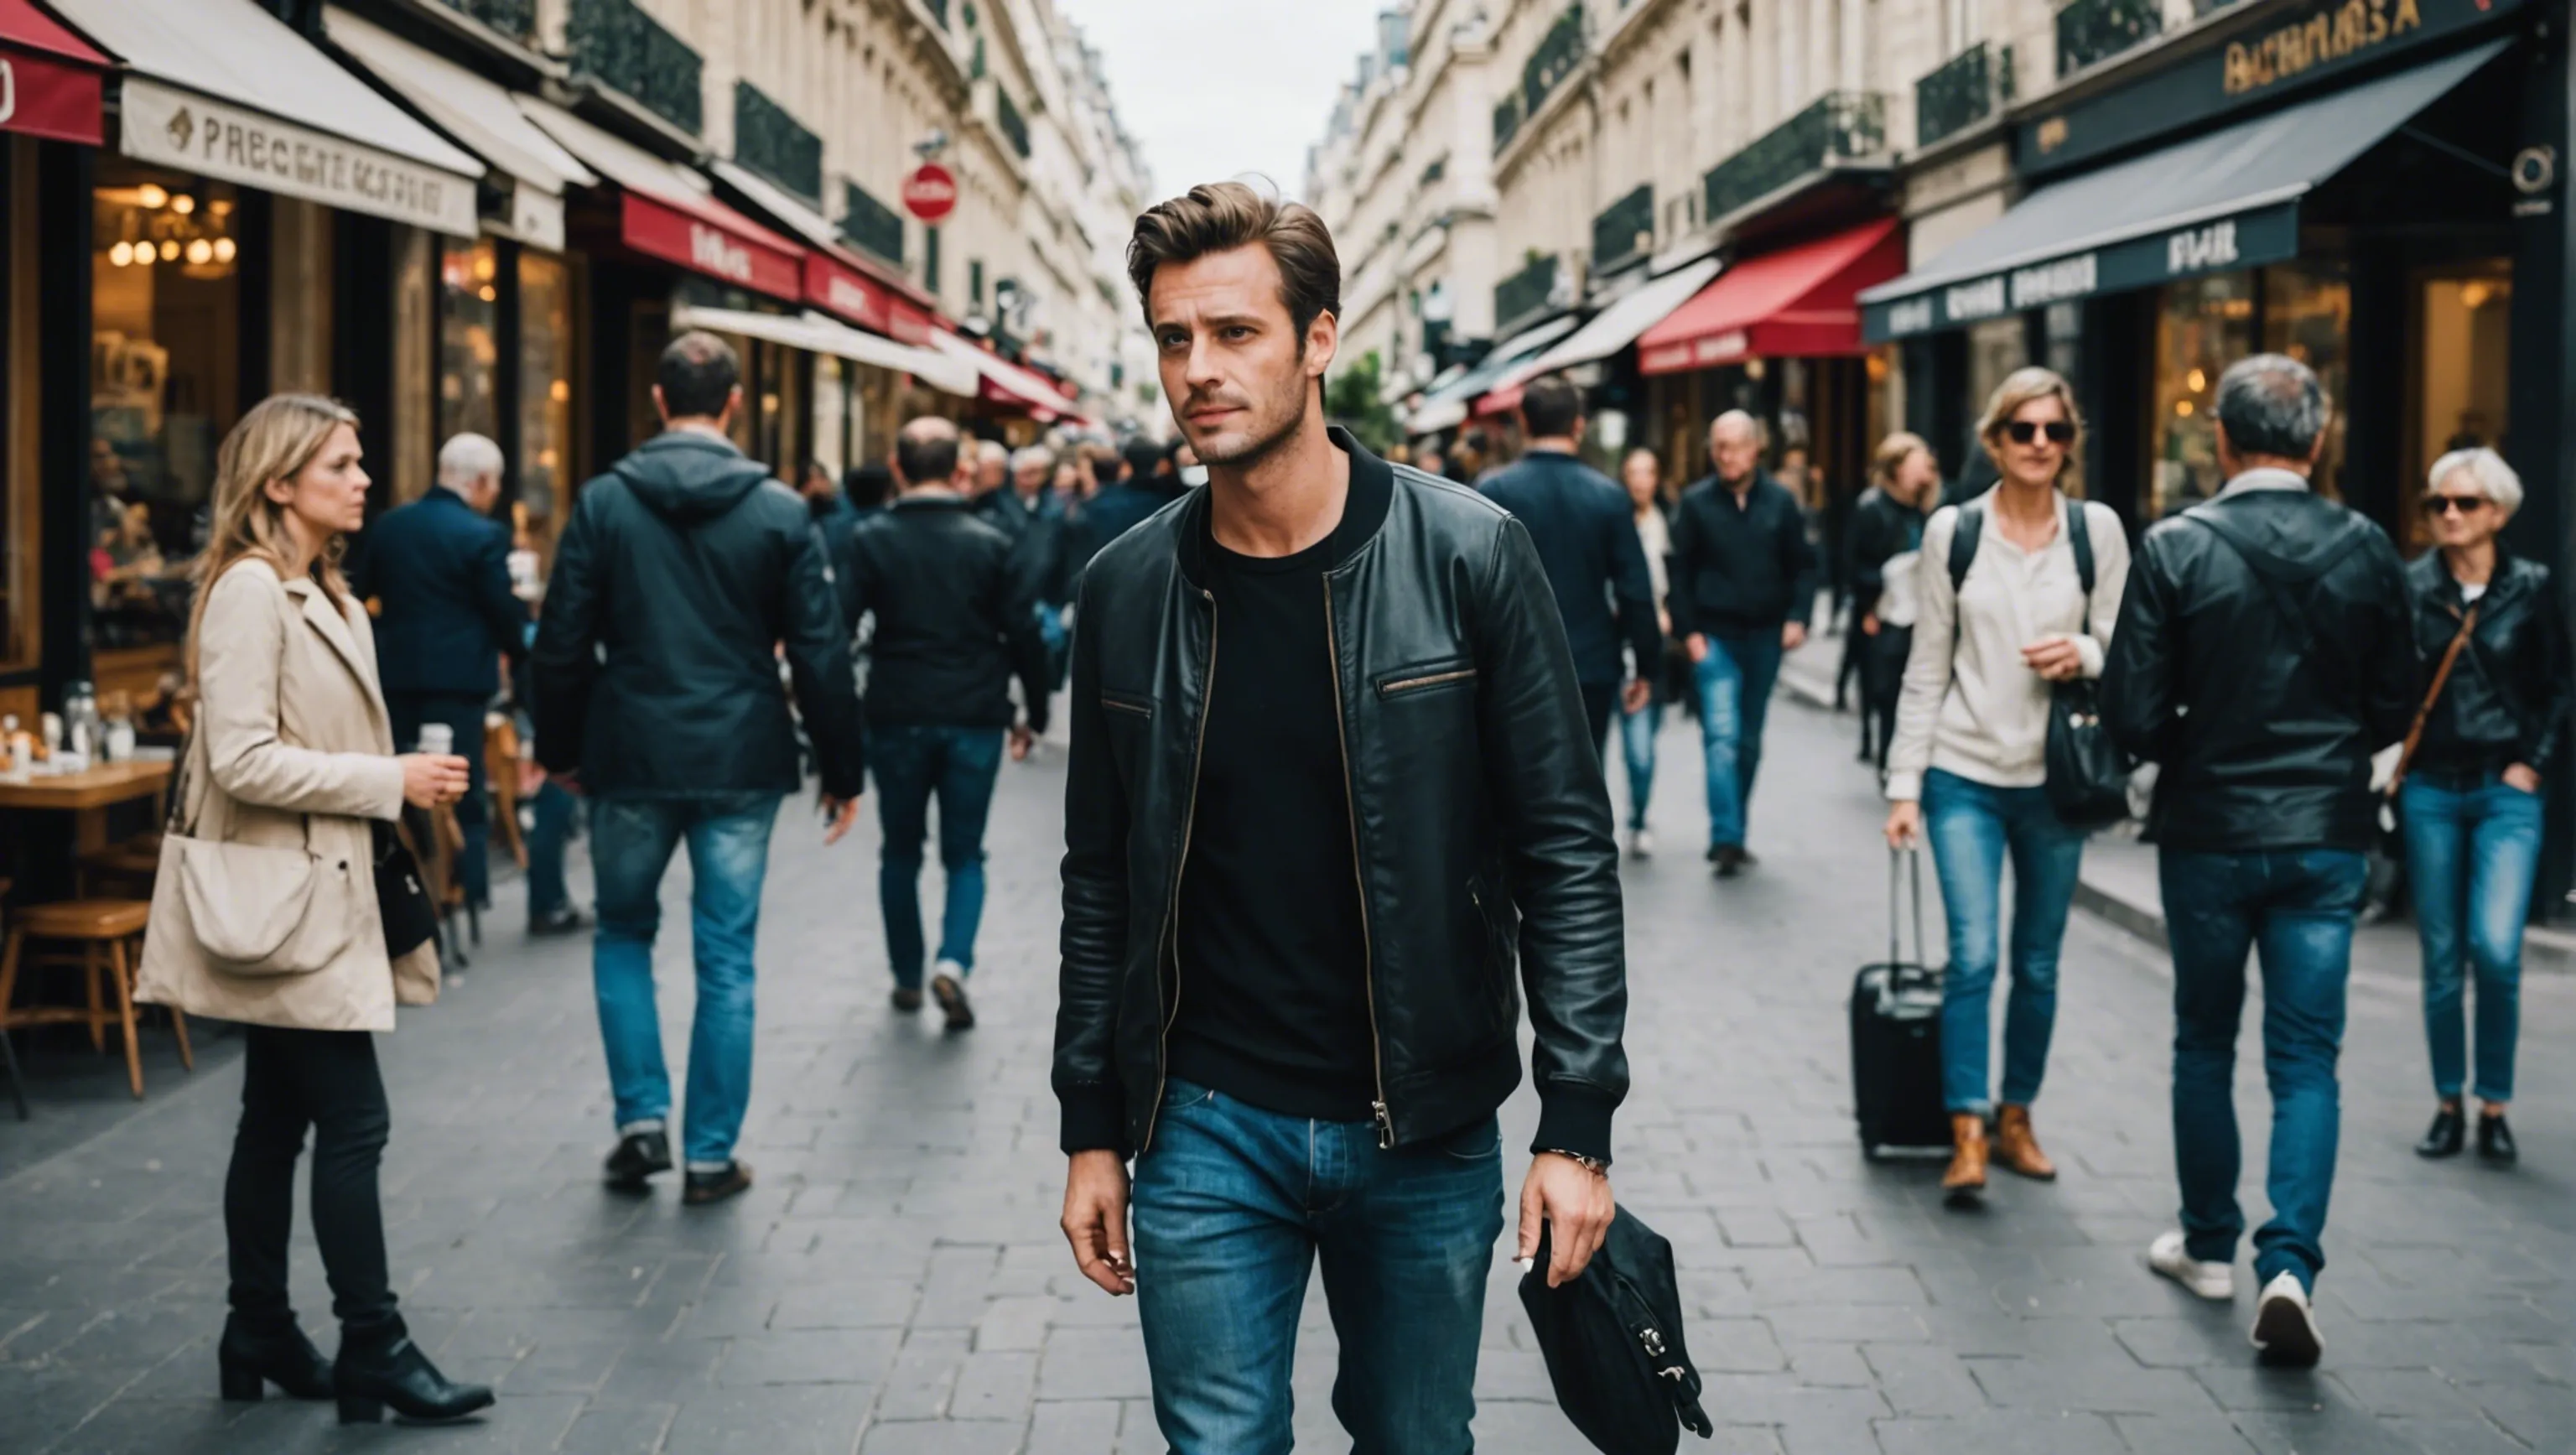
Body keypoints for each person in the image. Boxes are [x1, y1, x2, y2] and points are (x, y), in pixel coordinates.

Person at [1056, 181, 1627, 1453]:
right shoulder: (1125, 586)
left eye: (1236, 332)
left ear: (1320, 340)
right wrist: (1089, 1122)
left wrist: (1577, 1120)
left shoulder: (1472, 553)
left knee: (1417, 1438)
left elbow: (1566, 852)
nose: (1198, 369)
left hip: (1422, 1121)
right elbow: (1099, 874)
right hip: (1200, 1121)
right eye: (1172, 337)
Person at [135, 394, 491, 1425]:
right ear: (280, 484)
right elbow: (241, 760)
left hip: (317, 893)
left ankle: (258, 1326)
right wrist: (389, 779)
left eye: (360, 460)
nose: (364, 479)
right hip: (287, 900)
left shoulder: (325, 592)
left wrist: (391, 784)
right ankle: (371, 1343)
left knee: (275, 1118)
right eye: (342, 463)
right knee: (354, 1122)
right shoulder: (251, 592)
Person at [2102, 354, 2415, 1369]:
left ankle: (2204, 1245)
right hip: (2324, 831)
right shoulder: (2368, 547)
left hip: (2209, 830)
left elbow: (2135, 715)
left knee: (2204, 1039)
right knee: (2306, 1056)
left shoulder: (2178, 545)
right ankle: (2290, 1264)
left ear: (2223, 442)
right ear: (2316, 442)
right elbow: (2394, 704)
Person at [532, 331, 866, 1208]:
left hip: (631, 748)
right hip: (740, 751)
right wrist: (843, 769)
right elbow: (822, 652)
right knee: (726, 957)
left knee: (622, 932)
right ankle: (712, 1154)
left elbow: (562, 640)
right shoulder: (780, 511)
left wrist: (559, 750)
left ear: (657, 399)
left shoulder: (605, 501)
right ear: (733, 404)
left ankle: (643, 1121)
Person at [1882, 374, 2128, 1204]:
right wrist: (1904, 784)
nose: (2038, 443)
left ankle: (2018, 1115)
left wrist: (2084, 656)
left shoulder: (2097, 533)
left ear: (2069, 441)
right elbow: (1926, 664)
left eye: (2055, 430)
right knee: (1975, 956)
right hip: (1964, 772)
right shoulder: (1953, 532)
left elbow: (2124, 647)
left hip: (2055, 781)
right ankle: (1967, 1129)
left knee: (2040, 961)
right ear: (1994, 440)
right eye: (2022, 429)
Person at [841, 418, 1050, 1029]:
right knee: (965, 853)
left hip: (897, 709)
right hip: (974, 713)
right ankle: (953, 962)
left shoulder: (869, 539)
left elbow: (836, 627)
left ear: (898, 467)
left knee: (899, 850)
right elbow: (1024, 633)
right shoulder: (989, 542)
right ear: (959, 469)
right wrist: (1032, 712)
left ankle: (907, 974)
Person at [2400, 447, 2568, 1166]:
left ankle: (2494, 1100)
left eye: (2465, 504)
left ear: (2497, 512)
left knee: (2496, 950)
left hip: (2506, 791)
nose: (2450, 515)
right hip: (2431, 788)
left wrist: (2534, 762)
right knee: (2441, 956)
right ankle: (2448, 1101)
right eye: (2439, 503)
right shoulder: (2412, 588)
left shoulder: (2532, 587)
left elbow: (2561, 684)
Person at [347, 433, 527, 915]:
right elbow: (502, 612)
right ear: (483, 481)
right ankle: (466, 889)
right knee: (459, 786)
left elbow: (358, 593)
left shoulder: (390, 526)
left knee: (399, 782)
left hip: (395, 677)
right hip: (460, 682)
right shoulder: (483, 535)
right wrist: (522, 652)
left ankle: (408, 885)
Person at [1478, 376, 1661, 754]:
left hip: (1515, 665)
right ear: (1579, 425)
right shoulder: (1609, 497)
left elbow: (1474, 588)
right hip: (1590, 664)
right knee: (1586, 778)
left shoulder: (1493, 493)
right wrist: (1645, 665)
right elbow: (1635, 590)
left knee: (1520, 784)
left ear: (1524, 422)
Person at [1670, 409, 1816, 876]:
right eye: (1719, 446)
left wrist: (1799, 617)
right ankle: (1725, 837)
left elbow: (1804, 565)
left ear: (1756, 449)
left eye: (1735, 445)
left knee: (1749, 740)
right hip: (1715, 638)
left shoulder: (1780, 502)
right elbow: (1679, 573)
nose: (1727, 455)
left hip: (1766, 637)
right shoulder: (1695, 504)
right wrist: (1689, 633)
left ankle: (1738, 828)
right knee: (1721, 737)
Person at [1848, 434, 1941, 773]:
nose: (1926, 473)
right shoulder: (1872, 508)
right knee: (1887, 692)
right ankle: (1888, 758)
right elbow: (1856, 566)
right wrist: (1869, 606)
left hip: (1921, 612)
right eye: (1918, 466)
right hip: (1884, 614)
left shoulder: (1926, 508)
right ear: (1897, 468)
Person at [981, 445, 1076, 690]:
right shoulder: (999, 505)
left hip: (1042, 597)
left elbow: (1061, 554)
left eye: (1037, 472)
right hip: (1010, 598)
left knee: (1039, 669)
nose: (1031, 479)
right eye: (1026, 472)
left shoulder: (1052, 508)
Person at [1617, 448, 1673, 855]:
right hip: (1613, 644)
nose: (1640, 481)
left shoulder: (1666, 524)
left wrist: (1669, 614)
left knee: (1641, 750)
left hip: (1649, 648)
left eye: (1647, 472)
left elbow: (1676, 578)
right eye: (1633, 473)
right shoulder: (1612, 519)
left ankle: (1638, 817)